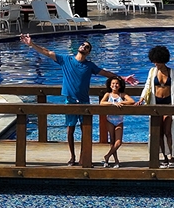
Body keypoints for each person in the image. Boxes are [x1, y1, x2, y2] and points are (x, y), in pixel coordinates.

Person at [20, 34, 133, 165]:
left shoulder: (89, 65)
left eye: (87, 47)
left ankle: (83, 158)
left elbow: (105, 73)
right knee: (70, 130)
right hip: (70, 100)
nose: (83, 47)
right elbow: (47, 52)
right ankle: (72, 157)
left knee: (85, 130)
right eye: (83, 45)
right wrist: (31, 44)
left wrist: (122, 78)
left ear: (88, 52)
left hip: (84, 101)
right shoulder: (66, 60)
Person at [140, 45, 174, 164]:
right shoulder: (152, 71)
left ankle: (171, 155)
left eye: (158, 62)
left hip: (168, 104)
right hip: (156, 104)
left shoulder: (172, 72)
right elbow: (148, 86)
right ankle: (164, 156)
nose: (156, 64)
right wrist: (142, 98)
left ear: (163, 60)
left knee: (168, 131)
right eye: (154, 62)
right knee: (158, 131)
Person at [99, 77, 134, 168]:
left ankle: (107, 156)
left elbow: (131, 101)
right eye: (113, 83)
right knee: (112, 140)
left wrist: (122, 102)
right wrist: (113, 104)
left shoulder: (122, 95)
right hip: (110, 120)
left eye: (117, 83)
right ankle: (116, 161)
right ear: (110, 85)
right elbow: (102, 102)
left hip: (119, 121)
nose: (115, 85)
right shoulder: (108, 94)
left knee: (118, 142)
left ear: (120, 85)